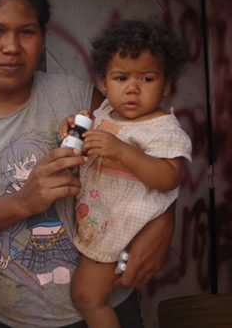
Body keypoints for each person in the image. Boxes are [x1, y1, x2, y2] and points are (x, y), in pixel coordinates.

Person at [0, 0, 175, 328]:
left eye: (27, 32)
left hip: (103, 307)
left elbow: (146, 152)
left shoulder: (77, 95)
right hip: (4, 318)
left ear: (42, 38)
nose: (12, 46)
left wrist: (164, 220)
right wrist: (23, 202)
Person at [67, 20, 192, 328]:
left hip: (124, 227)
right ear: (105, 84)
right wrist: (77, 128)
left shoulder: (163, 128)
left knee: (86, 296)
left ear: (166, 85)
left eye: (147, 78)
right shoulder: (107, 111)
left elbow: (169, 178)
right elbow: (95, 139)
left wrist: (123, 152)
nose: (133, 88)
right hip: (102, 216)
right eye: (121, 78)